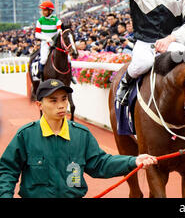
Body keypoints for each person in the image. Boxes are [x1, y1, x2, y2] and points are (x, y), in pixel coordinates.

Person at [0, 79, 157, 198]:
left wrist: (133, 161)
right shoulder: (26, 135)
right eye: (53, 100)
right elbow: (7, 170)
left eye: (64, 99)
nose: (61, 105)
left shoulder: (81, 135)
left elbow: (101, 164)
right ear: (39, 105)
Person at [35, 1, 62, 80]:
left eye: (45, 10)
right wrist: (46, 38)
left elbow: (59, 28)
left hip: (56, 43)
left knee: (68, 58)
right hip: (46, 43)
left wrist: (59, 30)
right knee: (43, 59)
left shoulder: (56, 20)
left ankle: (70, 76)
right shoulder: (40, 21)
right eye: (42, 10)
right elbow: (37, 34)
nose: (43, 12)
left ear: (50, 11)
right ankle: (40, 75)